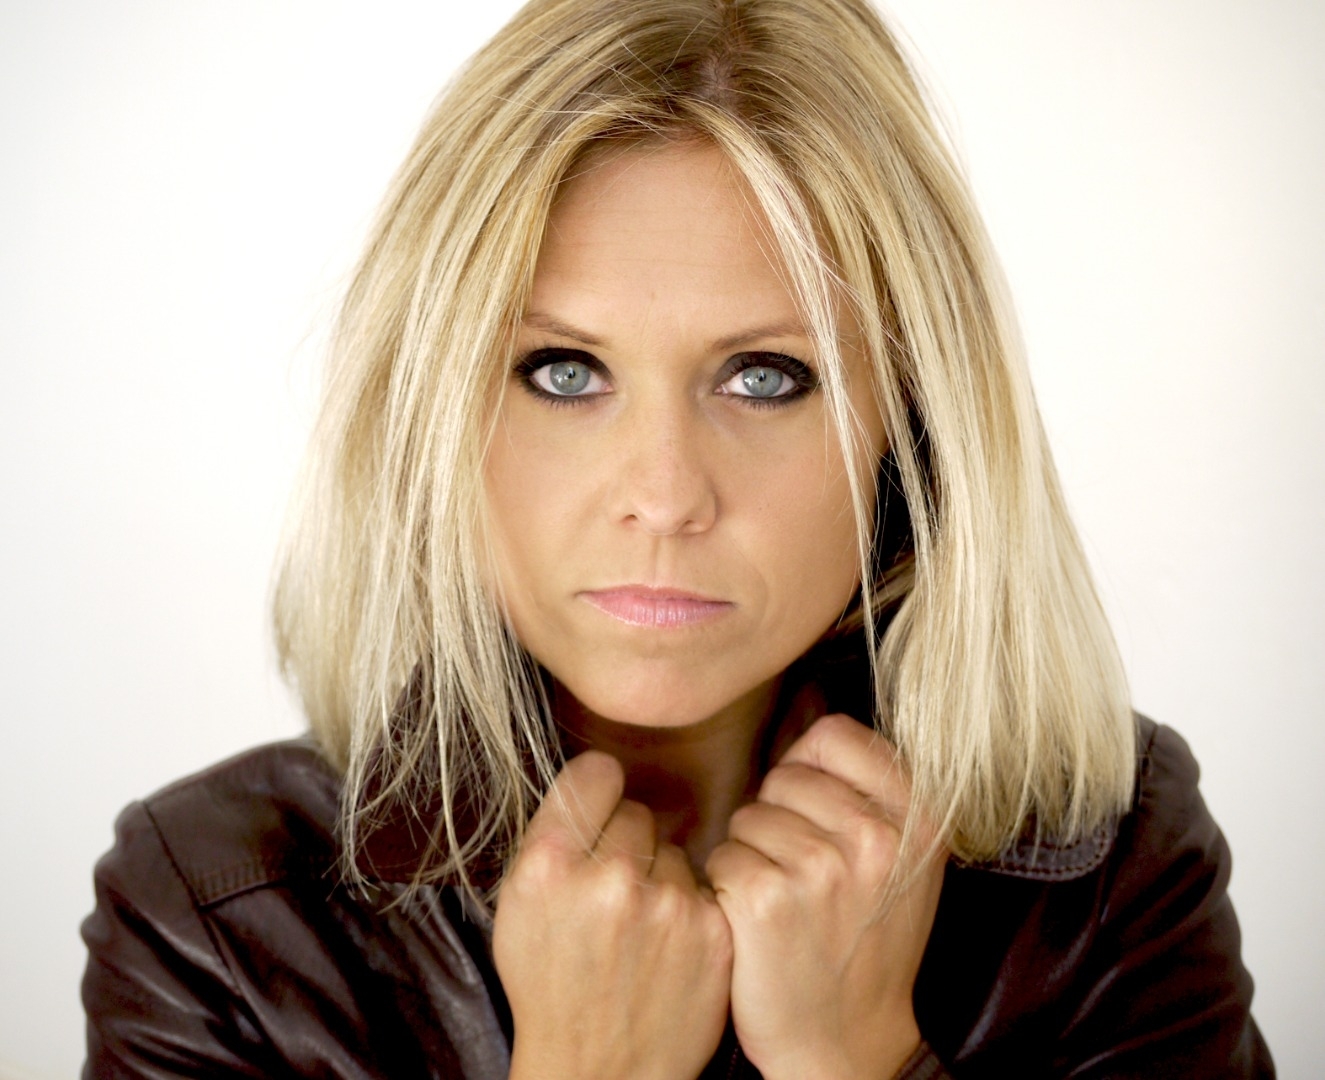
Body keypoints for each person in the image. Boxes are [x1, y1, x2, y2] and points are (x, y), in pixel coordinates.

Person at [80, 0, 1273, 1076]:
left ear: (910, 426)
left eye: (764, 378)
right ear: (429, 412)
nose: (662, 496)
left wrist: (858, 1058)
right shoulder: (216, 918)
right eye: (562, 371)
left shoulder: (1109, 859)